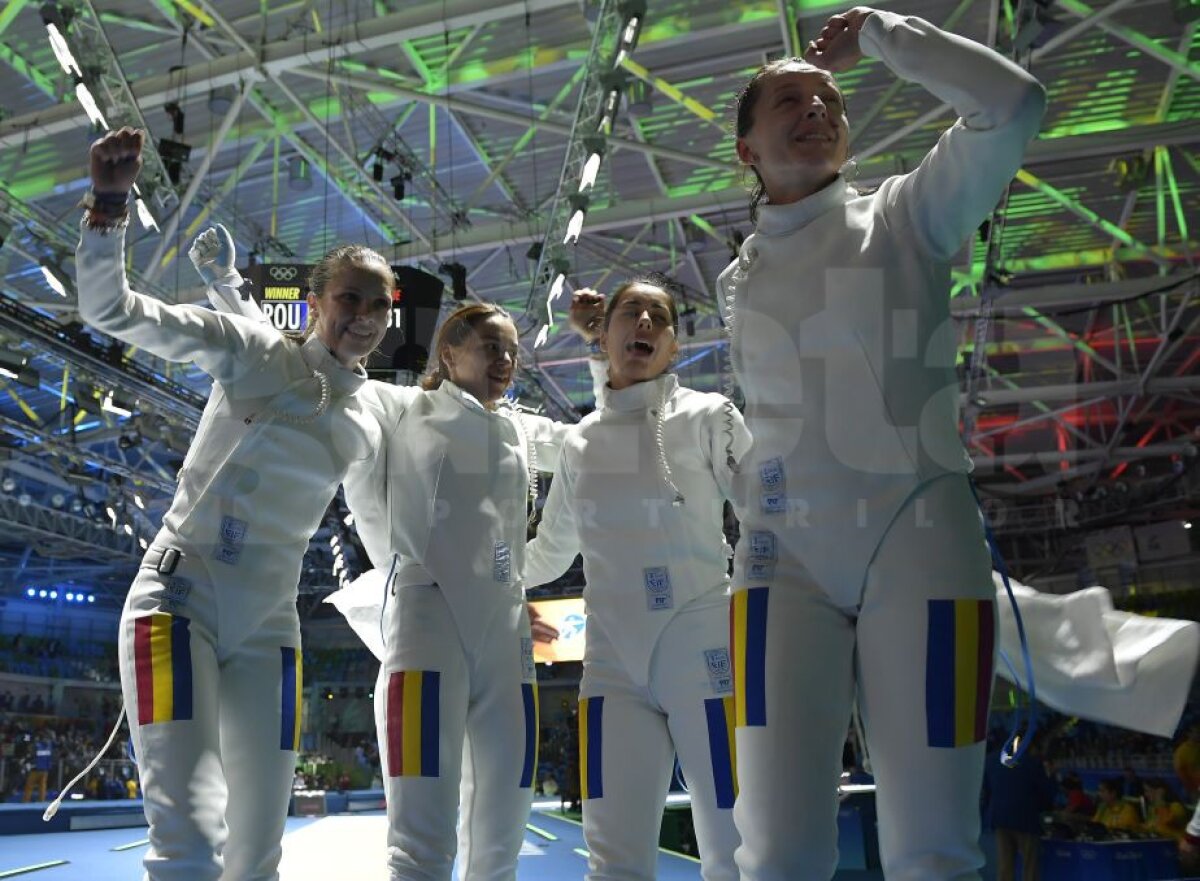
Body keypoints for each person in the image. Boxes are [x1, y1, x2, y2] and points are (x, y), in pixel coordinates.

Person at [718, 8, 1045, 880]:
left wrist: (889, 36)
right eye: (789, 100)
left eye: (826, 97)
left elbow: (1013, 106)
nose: (816, 107)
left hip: (921, 544)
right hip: (777, 560)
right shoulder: (736, 277)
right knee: (776, 853)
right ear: (747, 150)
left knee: (933, 849)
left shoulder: (906, 215)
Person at [77, 127, 393, 881]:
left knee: (256, 852)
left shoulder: (376, 413)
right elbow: (112, 310)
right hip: (176, 604)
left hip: (270, 627)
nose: (364, 313)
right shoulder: (253, 352)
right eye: (349, 297)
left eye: (379, 303)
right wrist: (109, 207)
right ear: (316, 302)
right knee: (189, 839)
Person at [343, 299, 603, 881]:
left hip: (506, 637)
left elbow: (596, 442)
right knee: (420, 840)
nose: (506, 360)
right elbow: (326, 379)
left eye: (512, 351)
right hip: (423, 628)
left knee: (501, 834)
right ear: (449, 351)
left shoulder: (519, 426)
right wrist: (237, 293)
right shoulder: (403, 408)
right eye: (492, 346)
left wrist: (599, 354)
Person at [522, 280, 751, 881]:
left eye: (660, 317)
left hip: (705, 654)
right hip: (611, 669)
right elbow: (547, 555)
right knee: (614, 859)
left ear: (674, 345)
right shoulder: (580, 443)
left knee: (738, 845)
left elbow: (767, 516)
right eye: (631, 311)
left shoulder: (709, 416)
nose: (644, 321)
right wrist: (459, 569)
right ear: (606, 333)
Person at [982, 740, 1054, 881]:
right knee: (1030, 866)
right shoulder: (1032, 763)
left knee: (1004, 866)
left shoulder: (991, 760)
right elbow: (1047, 793)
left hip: (1000, 818)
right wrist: (1051, 775)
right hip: (1026, 820)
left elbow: (987, 790)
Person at [22, 731, 52, 802]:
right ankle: (41, 800)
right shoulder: (48, 746)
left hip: (35, 769)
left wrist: (25, 761)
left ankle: (26, 801)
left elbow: (31, 756)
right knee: (42, 786)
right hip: (45, 769)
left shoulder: (36, 746)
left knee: (29, 785)